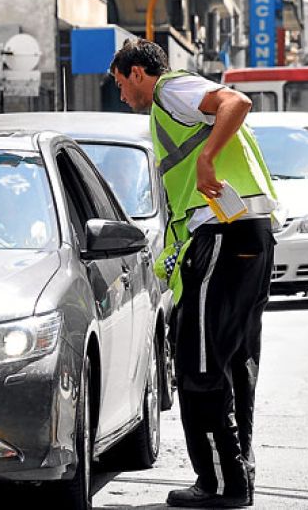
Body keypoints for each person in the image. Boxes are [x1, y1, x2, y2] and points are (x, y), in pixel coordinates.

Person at [110, 39, 278, 508]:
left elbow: (235, 101)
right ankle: (237, 472)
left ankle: (221, 483)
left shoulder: (170, 90)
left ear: (138, 73)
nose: (122, 94)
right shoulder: (170, 103)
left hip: (223, 235)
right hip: (246, 234)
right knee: (232, 360)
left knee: (199, 365)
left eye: (121, 83)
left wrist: (206, 159)